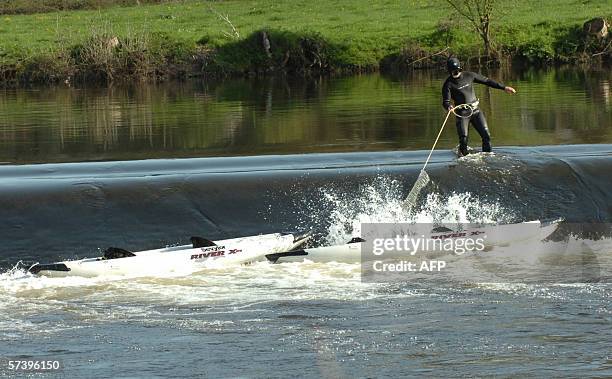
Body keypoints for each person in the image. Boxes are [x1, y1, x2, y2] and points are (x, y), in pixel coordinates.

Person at [442, 57, 516, 156]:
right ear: (449, 71)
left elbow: (487, 81)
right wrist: (448, 106)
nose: (456, 73)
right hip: (462, 114)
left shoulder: (469, 75)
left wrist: (504, 87)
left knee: (486, 135)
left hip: (475, 111)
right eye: (453, 72)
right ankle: (464, 158)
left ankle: (488, 157)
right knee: (463, 139)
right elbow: (445, 101)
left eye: (458, 71)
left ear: (460, 69)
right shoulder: (448, 84)